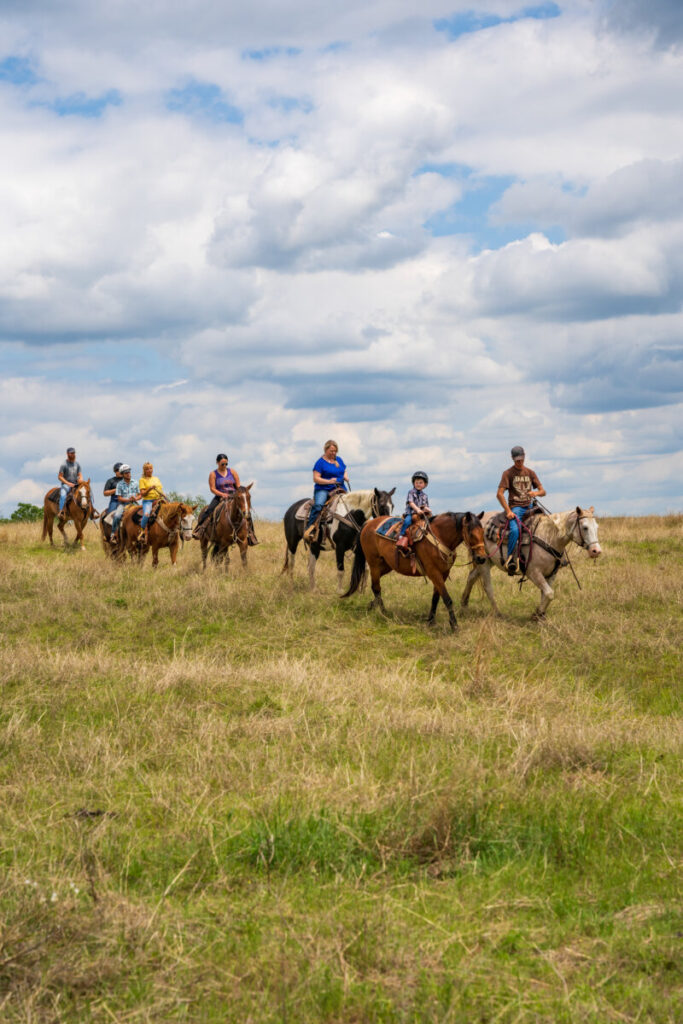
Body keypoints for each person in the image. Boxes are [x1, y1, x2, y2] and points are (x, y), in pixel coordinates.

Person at [496, 445, 546, 575]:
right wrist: (508, 511)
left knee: (547, 524)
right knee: (514, 530)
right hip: (516, 508)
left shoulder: (530, 472)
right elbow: (499, 494)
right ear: (512, 459)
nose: (520, 462)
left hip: (530, 506)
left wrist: (535, 493)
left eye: (521, 459)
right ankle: (511, 559)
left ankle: (554, 556)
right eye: (517, 459)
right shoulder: (508, 473)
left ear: (524, 457)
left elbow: (543, 491)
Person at [303, 440, 349, 541]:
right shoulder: (320, 463)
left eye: (335, 451)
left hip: (340, 488)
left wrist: (346, 477)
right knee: (319, 505)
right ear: (326, 450)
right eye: (331, 451)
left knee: (351, 504)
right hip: (324, 489)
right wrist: (329, 481)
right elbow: (316, 478)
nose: (333, 453)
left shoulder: (339, 460)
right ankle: (311, 528)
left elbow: (344, 470)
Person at [396, 471, 432, 552]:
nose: (418, 484)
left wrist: (427, 509)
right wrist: (417, 509)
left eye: (421, 482)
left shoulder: (425, 495)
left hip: (421, 514)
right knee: (407, 521)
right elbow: (411, 502)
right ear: (413, 483)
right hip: (411, 513)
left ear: (425, 485)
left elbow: (426, 505)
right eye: (416, 482)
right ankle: (401, 535)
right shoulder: (411, 492)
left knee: (430, 523)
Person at [110, 465, 141, 545]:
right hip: (123, 504)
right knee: (117, 516)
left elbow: (140, 495)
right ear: (122, 474)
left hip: (134, 504)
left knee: (145, 515)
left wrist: (136, 498)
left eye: (129, 472)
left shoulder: (135, 482)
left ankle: (144, 533)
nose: (128, 474)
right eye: (126, 473)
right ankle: (113, 534)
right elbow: (119, 498)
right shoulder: (119, 485)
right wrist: (128, 499)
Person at [138, 462, 167, 542]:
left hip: (158, 499)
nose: (149, 470)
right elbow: (142, 493)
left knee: (170, 510)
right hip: (148, 501)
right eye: (147, 469)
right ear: (144, 470)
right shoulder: (142, 480)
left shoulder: (156, 479)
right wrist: (150, 488)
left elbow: (160, 490)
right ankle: (142, 531)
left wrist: (163, 495)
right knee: (147, 514)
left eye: (150, 468)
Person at [57, 447, 83, 521]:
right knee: (63, 495)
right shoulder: (64, 464)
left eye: (74, 453)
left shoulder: (77, 464)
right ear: (67, 454)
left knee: (87, 492)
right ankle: (61, 512)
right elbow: (60, 477)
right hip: (66, 484)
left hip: (76, 484)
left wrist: (81, 479)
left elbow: (80, 474)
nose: (73, 454)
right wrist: (68, 483)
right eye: (71, 453)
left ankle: (92, 512)